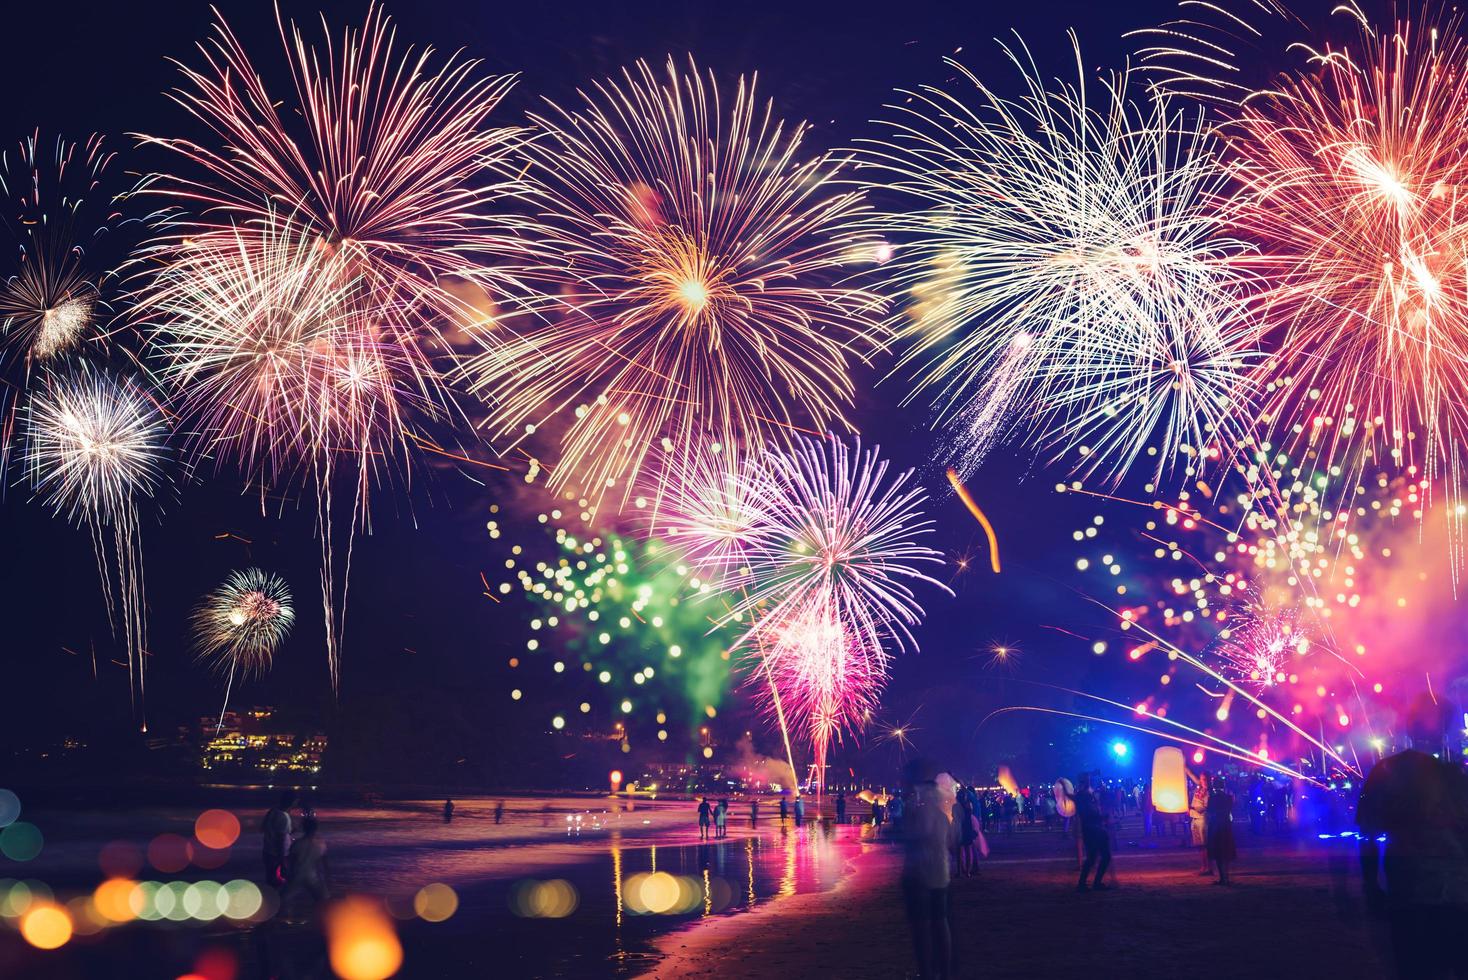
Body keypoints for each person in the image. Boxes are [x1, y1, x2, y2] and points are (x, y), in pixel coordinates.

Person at [1359, 695, 1468, 979]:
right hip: (1456, 894)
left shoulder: (1386, 772)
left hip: (1409, 891)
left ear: (1408, 727)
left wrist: (1371, 886)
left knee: (1415, 968)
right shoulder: (1456, 776)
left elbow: (1368, 835)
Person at [901, 760, 958, 980]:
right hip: (941, 872)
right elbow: (952, 838)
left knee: (922, 927)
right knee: (940, 922)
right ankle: (944, 971)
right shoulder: (944, 806)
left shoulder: (921, 806)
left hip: (922, 874)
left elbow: (918, 835)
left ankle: (927, 971)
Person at [281, 815, 330, 914]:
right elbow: (324, 863)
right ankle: (318, 919)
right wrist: (327, 878)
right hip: (312, 876)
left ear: (303, 828)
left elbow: (290, 860)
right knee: (323, 900)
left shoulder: (298, 843)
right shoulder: (321, 843)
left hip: (297, 874)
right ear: (316, 828)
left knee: (283, 899)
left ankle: (281, 918)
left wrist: (286, 872)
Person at [1074, 773, 1112, 892]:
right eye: (1087, 781)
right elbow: (1090, 815)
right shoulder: (1083, 797)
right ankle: (1090, 883)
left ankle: (1087, 883)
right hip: (1092, 831)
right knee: (1099, 857)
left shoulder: (1085, 796)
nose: (1089, 782)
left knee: (1094, 858)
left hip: (1094, 830)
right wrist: (1103, 817)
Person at [261, 791, 296, 888]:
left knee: (270, 880)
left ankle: (270, 900)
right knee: (280, 883)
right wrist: (282, 861)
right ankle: (279, 901)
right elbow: (281, 840)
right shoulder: (284, 817)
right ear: (293, 802)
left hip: (267, 851)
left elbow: (263, 828)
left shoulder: (272, 811)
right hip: (278, 854)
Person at [1206, 777, 1237, 885]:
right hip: (1226, 825)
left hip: (1216, 826)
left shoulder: (1212, 798)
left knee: (1218, 852)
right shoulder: (1228, 798)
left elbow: (1209, 811)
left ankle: (1222, 878)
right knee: (1226, 851)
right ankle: (1226, 877)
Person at [1190, 771, 1212, 873]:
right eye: (1202, 779)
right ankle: (1204, 867)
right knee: (1199, 845)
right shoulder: (1199, 787)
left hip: (1202, 819)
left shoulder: (1208, 792)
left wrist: (1191, 808)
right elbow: (1191, 775)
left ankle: (1209, 868)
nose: (1204, 781)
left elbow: (1204, 808)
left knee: (1205, 845)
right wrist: (1183, 765)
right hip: (1194, 819)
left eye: (1205, 779)